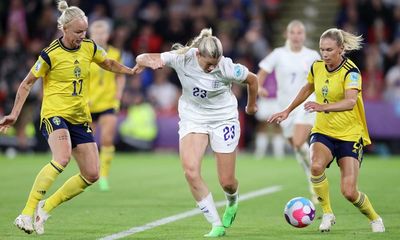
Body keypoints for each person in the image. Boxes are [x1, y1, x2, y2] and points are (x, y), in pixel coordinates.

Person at [0, 0, 134, 235]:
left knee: (92, 173)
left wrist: (130, 71)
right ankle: (26, 213)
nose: (82, 36)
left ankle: (46, 207)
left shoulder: (90, 48)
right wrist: (13, 114)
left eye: (85, 31)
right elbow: (27, 83)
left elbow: (109, 62)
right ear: (64, 29)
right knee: (61, 158)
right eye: (78, 32)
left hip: (79, 117)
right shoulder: (50, 54)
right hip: (54, 114)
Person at [133, 28, 258, 237]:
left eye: (215, 63)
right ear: (197, 54)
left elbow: (252, 80)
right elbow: (143, 56)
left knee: (227, 181)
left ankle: (232, 200)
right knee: (190, 171)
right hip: (194, 118)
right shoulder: (182, 59)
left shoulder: (227, 67)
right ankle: (216, 224)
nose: (212, 68)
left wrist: (251, 106)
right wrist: (146, 60)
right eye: (208, 63)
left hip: (223, 119)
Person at [268, 28, 385, 233]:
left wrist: (322, 106)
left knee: (349, 192)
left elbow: (350, 102)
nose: (325, 54)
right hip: (323, 130)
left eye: (329, 49)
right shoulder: (318, 67)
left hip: (349, 134)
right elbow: (307, 88)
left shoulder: (351, 71)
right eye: (322, 49)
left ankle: (375, 218)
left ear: (341, 49)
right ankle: (328, 212)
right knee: (315, 166)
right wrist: (288, 110)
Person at [257, 20, 320, 201]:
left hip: (306, 104)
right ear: (287, 34)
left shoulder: (312, 55)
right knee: (298, 149)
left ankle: (316, 173)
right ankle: (312, 178)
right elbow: (261, 72)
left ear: (304, 36)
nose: (296, 36)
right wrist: (259, 87)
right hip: (285, 108)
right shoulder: (278, 54)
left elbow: (323, 76)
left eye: (300, 33)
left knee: (300, 142)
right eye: (293, 32)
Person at [88, 19, 126, 191]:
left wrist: (118, 95)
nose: (99, 35)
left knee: (107, 139)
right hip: (87, 104)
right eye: (96, 32)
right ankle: (88, 175)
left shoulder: (115, 53)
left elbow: (120, 75)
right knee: (87, 143)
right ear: (90, 35)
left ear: (108, 35)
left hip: (108, 102)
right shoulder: (85, 53)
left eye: (102, 32)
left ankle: (104, 176)